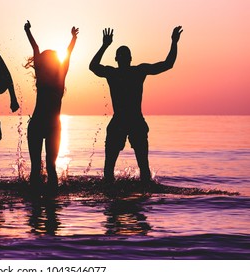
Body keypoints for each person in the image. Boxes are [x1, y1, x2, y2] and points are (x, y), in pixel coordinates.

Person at [89, 26, 183, 183]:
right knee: (137, 168)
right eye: (123, 56)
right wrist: (174, 42)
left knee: (114, 169)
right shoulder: (135, 72)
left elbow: (93, 67)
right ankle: (142, 197)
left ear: (119, 59)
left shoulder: (121, 73)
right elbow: (168, 64)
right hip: (129, 121)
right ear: (127, 59)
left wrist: (105, 45)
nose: (124, 59)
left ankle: (112, 196)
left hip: (130, 121)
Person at [24, 20, 78, 189]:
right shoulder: (58, 77)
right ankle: (50, 204)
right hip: (49, 125)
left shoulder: (50, 76)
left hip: (43, 124)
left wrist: (28, 31)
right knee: (47, 167)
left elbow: (37, 49)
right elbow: (65, 53)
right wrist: (73, 38)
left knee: (45, 168)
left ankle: (38, 203)